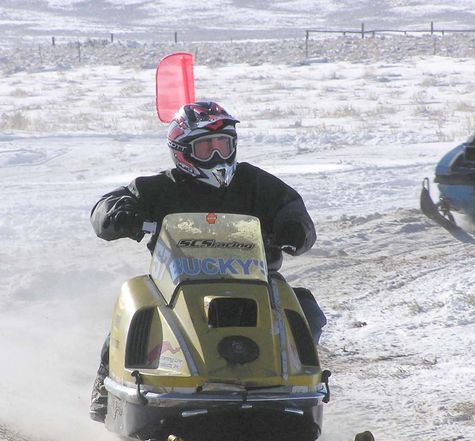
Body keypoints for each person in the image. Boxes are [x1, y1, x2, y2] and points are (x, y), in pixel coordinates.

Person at [89, 100, 326, 422]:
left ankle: (297, 385)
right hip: (175, 285)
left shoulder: (257, 184)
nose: (217, 156)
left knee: (305, 310)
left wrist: (294, 229)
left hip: (255, 280)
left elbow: (293, 210)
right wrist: (118, 214)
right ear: (183, 151)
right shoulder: (158, 188)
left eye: (223, 145)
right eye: (206, 148)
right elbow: (107, 206)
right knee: (135, 307)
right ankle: (107, 385)